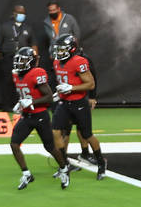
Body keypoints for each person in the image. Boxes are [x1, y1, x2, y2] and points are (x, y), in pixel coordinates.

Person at [10, 46, 71, 189]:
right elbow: (25, 93)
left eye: (23, 60)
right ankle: (26, 174)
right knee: (14, 144)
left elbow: (49, 97)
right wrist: (20, 104)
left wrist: (31, 101)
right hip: (27, 116)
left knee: (49, 147)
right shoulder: (16, 74)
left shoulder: (36, 73)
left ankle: (64, 168)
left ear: (31, 62)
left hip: (40, 116)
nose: (20, 63)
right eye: (18, 60)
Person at [51, 34, 106, 179]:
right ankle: (64, 165)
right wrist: (59, 92)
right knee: (56, 132)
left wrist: (71, 88)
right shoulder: (57, 62)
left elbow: (90, 84)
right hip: (64, 103)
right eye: (59, 49)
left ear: (71, 49)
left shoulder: (79, 61)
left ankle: (101, 162)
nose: (59, 52)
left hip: (78, 103)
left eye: (63, 50)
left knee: (87, 135)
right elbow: (64, 80)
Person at [0, 6, 34, 108]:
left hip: (23, 59)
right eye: (19, 13)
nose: (21, 15)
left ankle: (20, 105)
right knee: (7, 81)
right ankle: (6, 106)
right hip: (9, 57)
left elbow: (33, 43)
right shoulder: (5, 26)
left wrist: (35, 54)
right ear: (14, 13)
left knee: (22, 81)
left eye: (23, 13)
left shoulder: (27, 28)